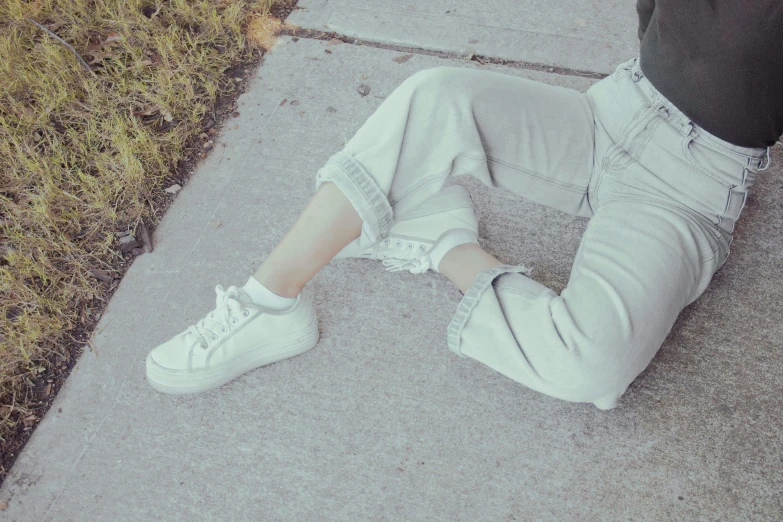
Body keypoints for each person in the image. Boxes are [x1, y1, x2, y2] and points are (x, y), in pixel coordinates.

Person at [144, 1, 781, 409]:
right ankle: (269, 304)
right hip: (616, 110)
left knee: (587, 363)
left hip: (687, 187)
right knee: (437, 96)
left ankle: (444, 239)